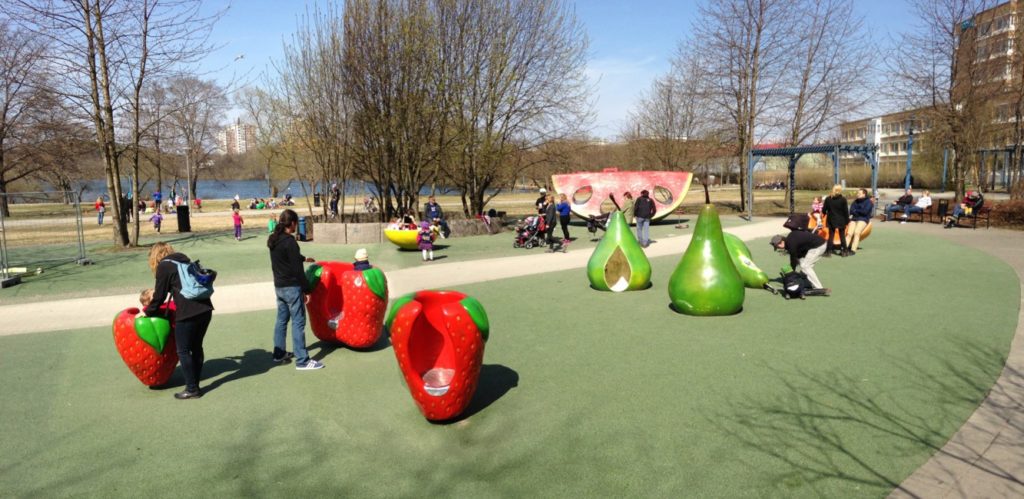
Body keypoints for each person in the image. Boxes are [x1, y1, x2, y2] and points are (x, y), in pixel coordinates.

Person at [144, 242, 215, 399]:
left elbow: (159, 296)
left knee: (183, 350)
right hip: (205, 308)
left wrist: (147, 312)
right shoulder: (184, 261)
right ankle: (194, 383)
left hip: (187, 312)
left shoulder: (164, 266)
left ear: (155, 256)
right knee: (196, 347)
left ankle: (192, 388)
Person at [268, 209, 323, 370]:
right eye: (295, 223)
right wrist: (307, 290)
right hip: (292, 287)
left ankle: (279, 354)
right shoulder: (290, 241)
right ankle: (302, 360)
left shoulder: (273, 239)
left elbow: (288, 257)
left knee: (281, 320)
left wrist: (304, 258)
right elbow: (297, 269)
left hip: (279, 287)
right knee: (298, 322)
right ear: (292, 223)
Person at [822, 184, 849, 257]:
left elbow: (824, 210)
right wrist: (847, 221)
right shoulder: (843, 199)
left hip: (831, 219)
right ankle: (845, 251)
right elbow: (846, 211)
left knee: (831, 236)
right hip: (841, 219)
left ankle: (828, 252)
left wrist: (824, 213)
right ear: (840, 190)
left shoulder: (828, 199)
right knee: (842, 236)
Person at [847, 189, 873, 255]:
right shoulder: (855, 201)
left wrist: (856, 211)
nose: (857, 194)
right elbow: (851, 211)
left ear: (864, 194)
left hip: (863, 219)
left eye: (859, 193)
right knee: (849, 233)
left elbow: (865, 212)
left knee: (856, 232)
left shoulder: (869, 202)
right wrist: (858, 211)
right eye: (857, 193)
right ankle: (845, 248)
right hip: (854, 219)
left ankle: (853, 250)